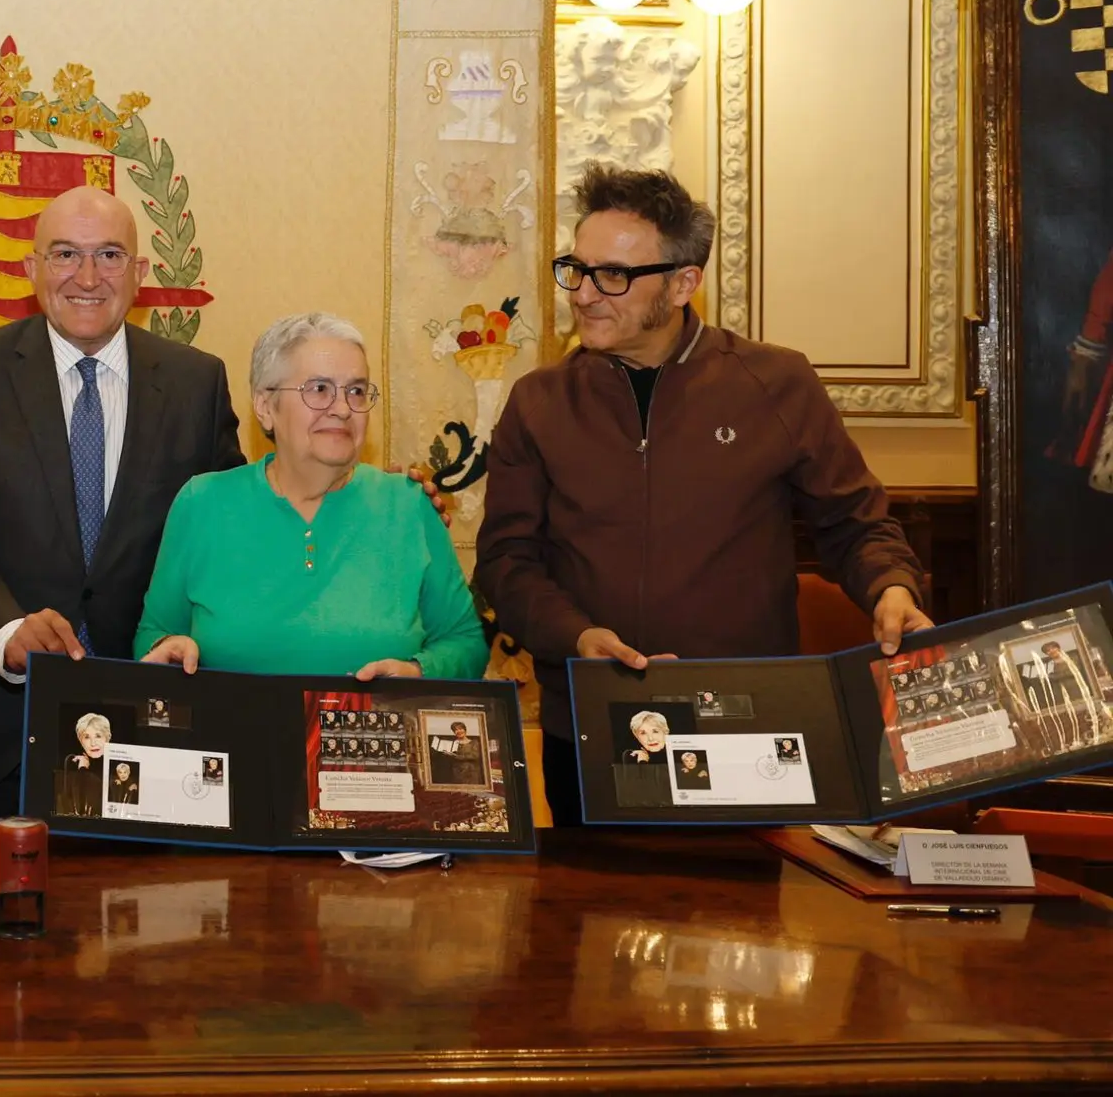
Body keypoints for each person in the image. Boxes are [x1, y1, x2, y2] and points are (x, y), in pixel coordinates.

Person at [476, 166, 929, 827]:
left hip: (744, 726)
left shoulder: (775, 382)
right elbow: (507, 561)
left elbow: (855, 525)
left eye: (615, 276)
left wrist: (893, 588)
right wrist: (578, 637)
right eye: (576, 269)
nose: (585, 295)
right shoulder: (539, 403)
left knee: (741, 928)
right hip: (593, 725)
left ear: (686, 282)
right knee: (589, 926)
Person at [0, 186, 245, 829]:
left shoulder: (195, 382)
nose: (87, 277)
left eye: (110, 255)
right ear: (32, 269)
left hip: (153, 732)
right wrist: (8, 634)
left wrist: (344, 490)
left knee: (143, 927)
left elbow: (227, 537)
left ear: (141, 273)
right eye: (65, 254)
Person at [134, 313, 486, 681]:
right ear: (266, 406)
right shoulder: (202, 503)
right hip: (232, 735)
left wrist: (417, 672)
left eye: (356, 390)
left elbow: (465, 643)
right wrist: (170, 650)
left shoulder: (409, 505)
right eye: (319, 389)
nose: (342, 408)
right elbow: (152, 634)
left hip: (371, 735)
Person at [54, 712, 110, 818]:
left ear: (107, 738)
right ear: (81, 741)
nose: (93, 743)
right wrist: (83, 770)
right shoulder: (71, 764)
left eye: (98, 736)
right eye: (87, 737)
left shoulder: (115, 765)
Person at [428, 720, 484, 785]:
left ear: (465, 730)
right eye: (456, 730)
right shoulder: (453, 743)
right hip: (457, 773)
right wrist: (446, 753)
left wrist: (456, 756)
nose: (459, 731)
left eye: (460, 729)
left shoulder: (474, 742)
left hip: (471, 773)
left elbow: (475, 756)